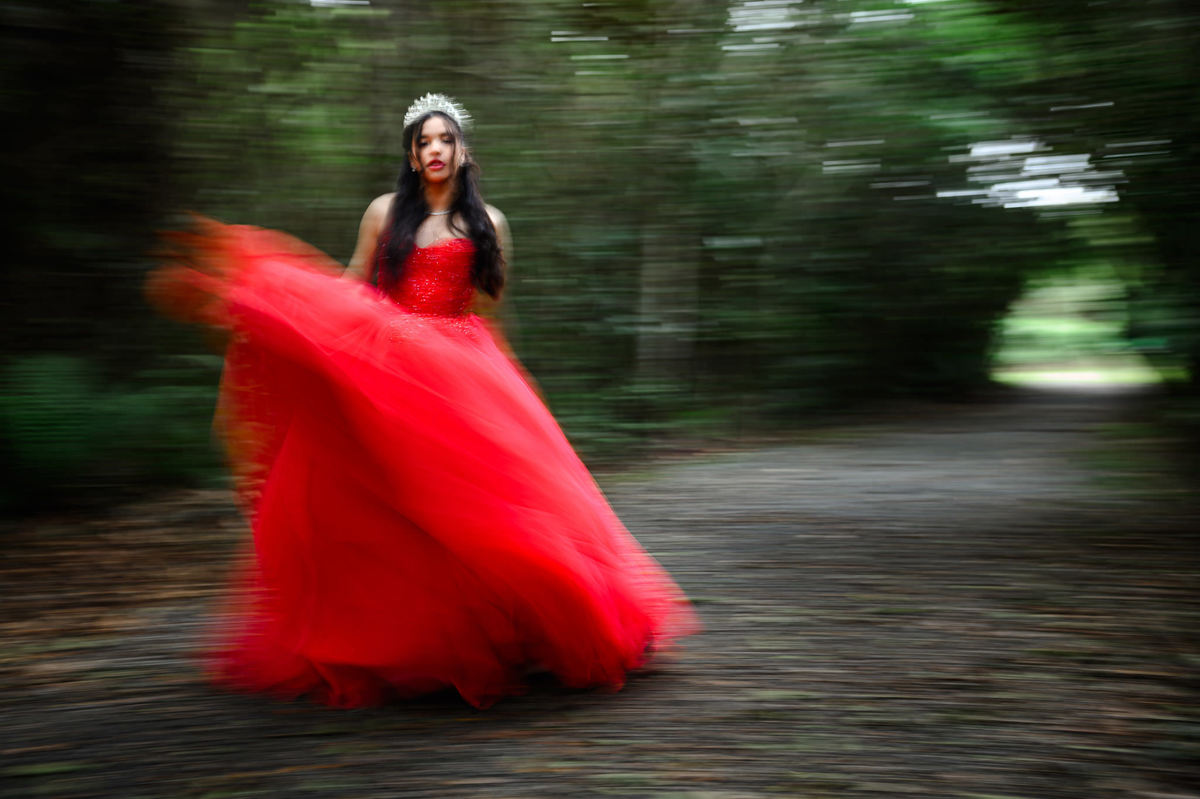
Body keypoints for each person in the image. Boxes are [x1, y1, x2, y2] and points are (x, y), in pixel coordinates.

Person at [150, 93, 697, 708]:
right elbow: (353, 285)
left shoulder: (490, 222)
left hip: (465, 369)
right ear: (412, 157)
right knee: (388, 499)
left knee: (491, 510)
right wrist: (287, 312)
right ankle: (416, 643)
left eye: (444, 140)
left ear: (464, 151)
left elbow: (490, 315)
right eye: (422, 142)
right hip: (391, 359)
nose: (434, 151)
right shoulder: (385, 212)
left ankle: (528, 629)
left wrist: (519, 395)